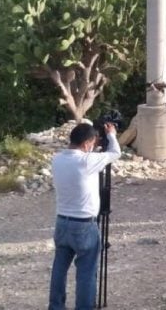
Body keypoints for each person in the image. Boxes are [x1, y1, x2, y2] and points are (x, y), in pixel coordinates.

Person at [48, 122, 121, 310]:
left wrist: (94, 147)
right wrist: (111, 135)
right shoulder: (87, 161)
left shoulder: (57, 159)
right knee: (87, 272)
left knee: (59, 268)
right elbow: (115, 153)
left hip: (62, 222)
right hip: (84, 225)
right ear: (88, 143)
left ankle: (55, 306)